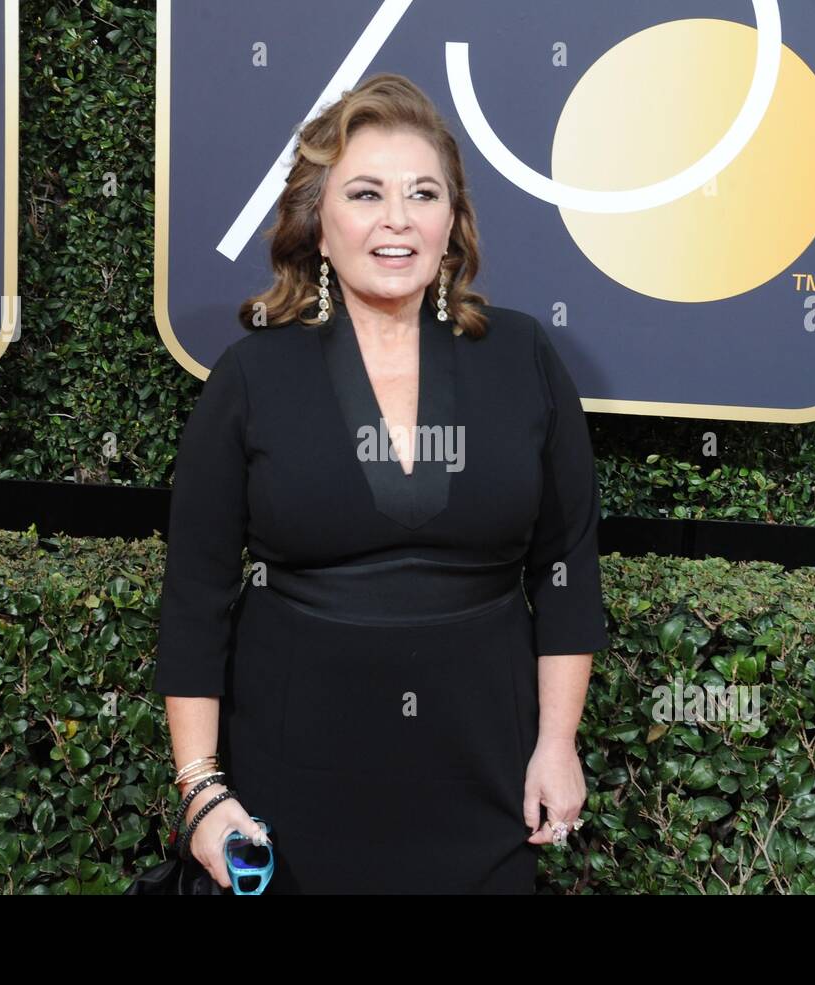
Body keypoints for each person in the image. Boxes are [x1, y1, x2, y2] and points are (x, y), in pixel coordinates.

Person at [153, 73, 609, 893]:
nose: (397, 218)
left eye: (422, 194)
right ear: (319, 225)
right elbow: (195, 596)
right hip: (292, 781)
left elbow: (567, 568)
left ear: (451, 224)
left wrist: (557, 742)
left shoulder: (524, 356)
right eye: (366, 193)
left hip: (486, 775)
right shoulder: (252, 374)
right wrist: (201, 791)